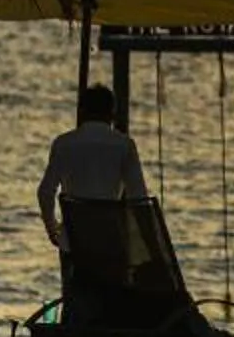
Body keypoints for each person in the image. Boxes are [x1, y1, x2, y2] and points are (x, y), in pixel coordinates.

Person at [36, 83, 149, 254]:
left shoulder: (64, 144)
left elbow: (45, 192)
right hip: (111, 239)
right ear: (112, 114)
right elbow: (139, 198)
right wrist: (140, 243)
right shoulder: (124, 145)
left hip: (73, 241)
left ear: (82, 112)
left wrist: (53, 230)